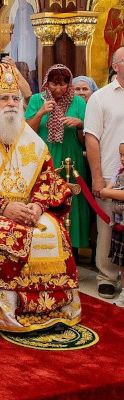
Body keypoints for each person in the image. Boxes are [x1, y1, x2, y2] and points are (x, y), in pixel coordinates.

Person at [0, 63, 81, 333]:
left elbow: (47, 178)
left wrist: (38, 205)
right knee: (9, 232)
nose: (10, 103)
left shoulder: (29, 137)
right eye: (3, 97)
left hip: (30, 209)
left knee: (51, 230)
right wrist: (3, 206)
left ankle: (53, 307)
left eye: (15, 98)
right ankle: (12, 308)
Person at [25, 64, 89, 251]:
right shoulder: (38, 99)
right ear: (47, 82)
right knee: (45, 197)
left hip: (71, 158)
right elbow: (28, 131)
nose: (58, 89)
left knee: (73, 199)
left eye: (63, 85)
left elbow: (85, 138)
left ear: (69, 84)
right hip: (45, 158)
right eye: (54, 84)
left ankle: (73, 248)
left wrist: (79, 124)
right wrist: (41, 112)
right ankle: (46, 244)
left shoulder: (79, 103)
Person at [84, 47, 124, 299]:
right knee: (110, 228)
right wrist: (97, 177)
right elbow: (92, 138)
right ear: (116, 65)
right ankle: (107, 277)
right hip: (111, 172)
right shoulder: (101, 97)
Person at [102, 141, 124, 307]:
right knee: (122, 263)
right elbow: (111, 184)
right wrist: (106, 190)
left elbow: (113, 192)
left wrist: (107, 192)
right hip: (120, 224)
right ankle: (123, 292)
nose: (122, 159)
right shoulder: (120, 172)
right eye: (121, 155)